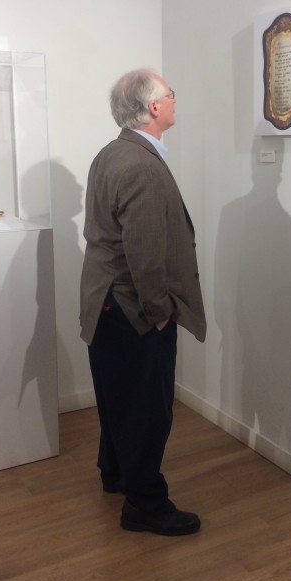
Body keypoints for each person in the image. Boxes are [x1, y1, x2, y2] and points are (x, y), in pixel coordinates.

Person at [79, 68, 206, 536]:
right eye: (171, 95)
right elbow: (146, 254)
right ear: (154, 108)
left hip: (104, 302)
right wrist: (158, 314)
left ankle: (115, 474)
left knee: (118, 395)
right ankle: (146, 503)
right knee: (146, 407)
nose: (175, 101)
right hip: (132, 308)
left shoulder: (112, 153)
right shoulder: (141, 165)